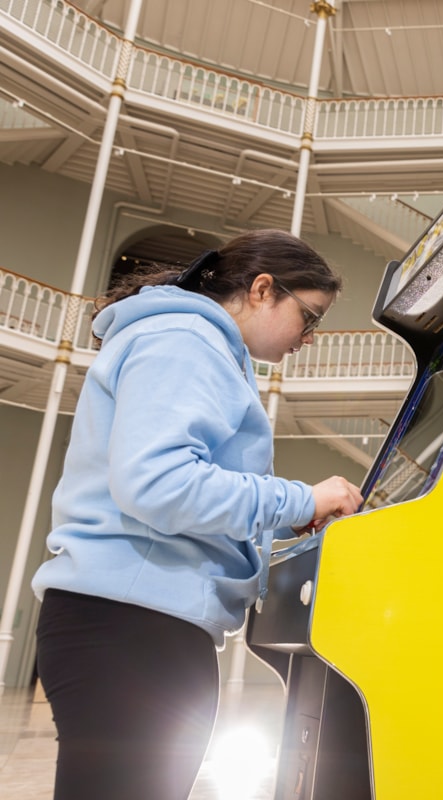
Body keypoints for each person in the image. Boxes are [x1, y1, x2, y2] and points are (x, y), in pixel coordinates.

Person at [31, 229, 364, 800]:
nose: (308, 339)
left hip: (134, 622)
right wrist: (300, 499)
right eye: (308, 318)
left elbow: (182, 485)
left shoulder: (194, 343)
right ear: (263, 289)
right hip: (130, 627)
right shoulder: (187, 339)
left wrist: (282, 519)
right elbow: (158, 484)